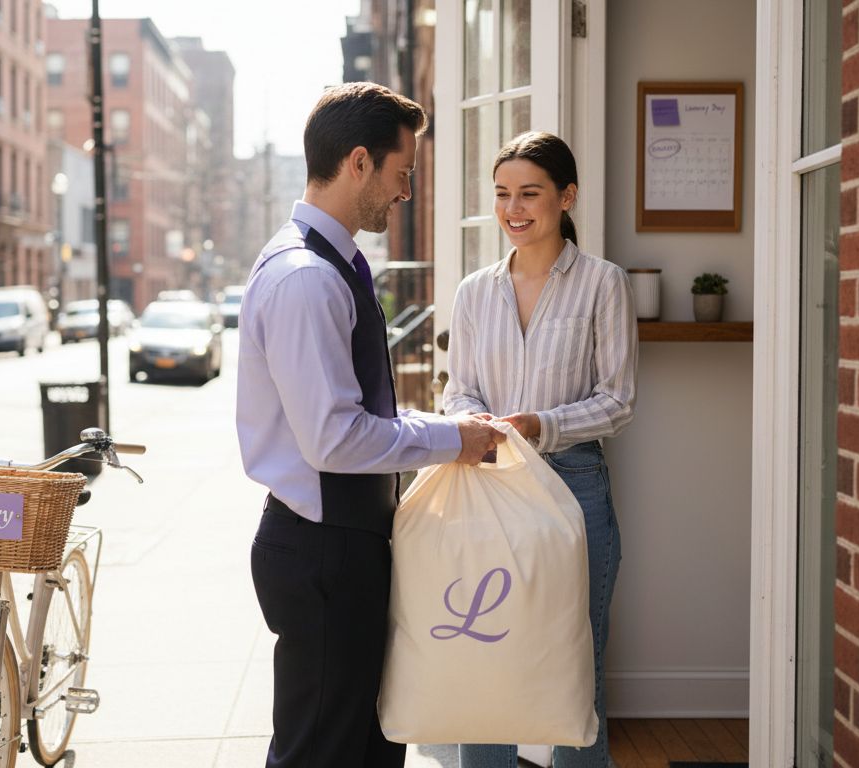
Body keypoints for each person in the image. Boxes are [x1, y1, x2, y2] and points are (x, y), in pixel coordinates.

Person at [236, 82, 507, 768]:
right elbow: (335, 439)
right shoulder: (307, 277)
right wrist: (452, 440)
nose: (406, 191)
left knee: (363, 749)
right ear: (359, 162)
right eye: (402, 172)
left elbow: (359, 420)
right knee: (323, 754)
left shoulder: (325, 266)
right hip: (323, 553)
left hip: (336, 547)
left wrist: (446, 428)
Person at [443, 131, 638, 768]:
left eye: (530, 192)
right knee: (485, 658)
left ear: (567, 197)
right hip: (492, 486)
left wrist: (539, 425)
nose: (513, 208)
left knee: (575, 667)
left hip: (575, 487)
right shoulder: (474, 291)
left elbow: (618, 400)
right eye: (502, 194)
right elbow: (458, 389)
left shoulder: (604, 285)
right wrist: (474, 420)